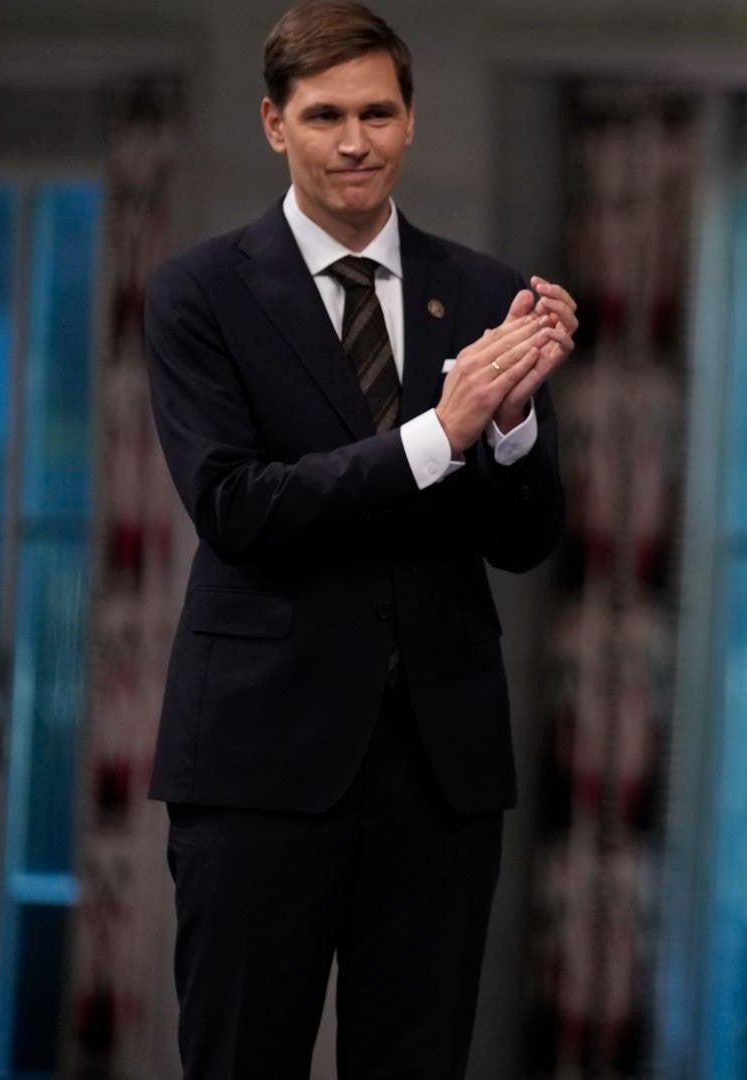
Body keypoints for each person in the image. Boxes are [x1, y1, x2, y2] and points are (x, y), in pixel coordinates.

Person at [143, 3, 572, 1075]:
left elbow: (526, 543)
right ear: (273, 124)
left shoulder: (482, 292)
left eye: (378, 112)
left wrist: (513, 422)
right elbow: (237, 510)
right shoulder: (198, 292)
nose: (354, 141)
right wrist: (443, 431)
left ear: (412, 121)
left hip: (440, 770)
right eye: (325, 114)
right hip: (258, 764)